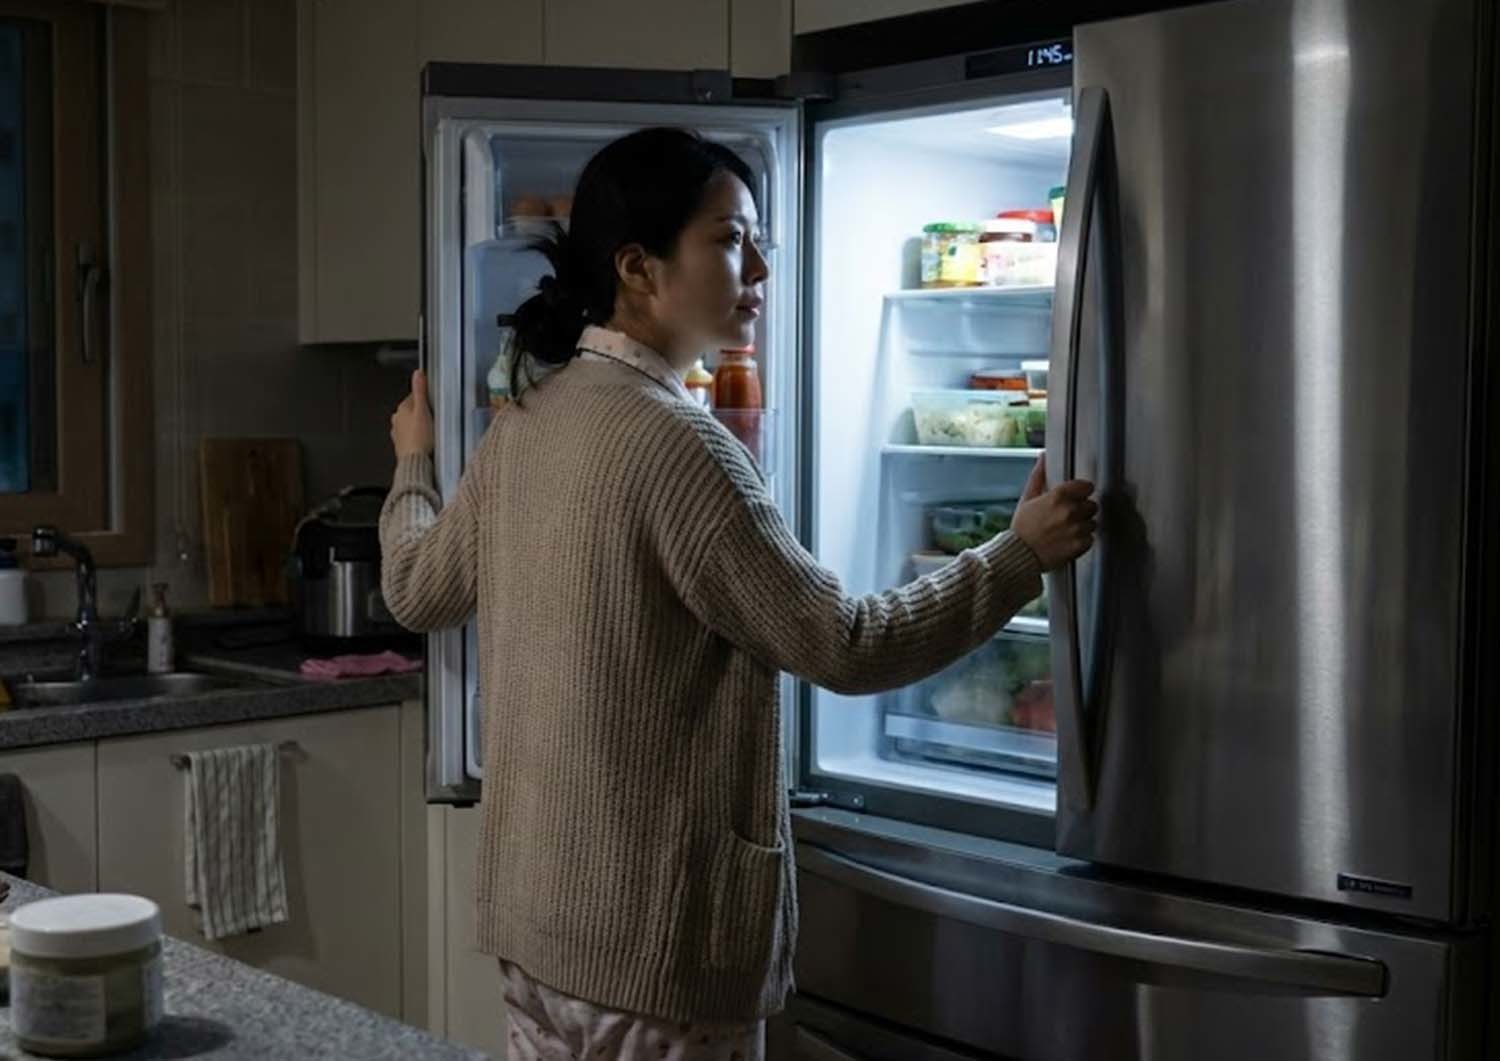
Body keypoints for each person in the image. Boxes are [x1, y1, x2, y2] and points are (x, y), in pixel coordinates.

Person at [380, 127, 1095, 1061]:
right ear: (640, 269)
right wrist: (1016, 555)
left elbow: (413, 587)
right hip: (651, 956)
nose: (759, 264)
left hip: (537, 934)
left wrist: (412, 465)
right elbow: (848, 642)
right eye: (728, 239)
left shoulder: (528, 424)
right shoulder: (680, 445)